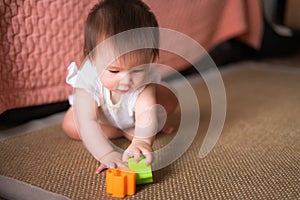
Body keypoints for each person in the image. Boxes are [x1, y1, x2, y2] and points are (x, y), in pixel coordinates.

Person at [62, 0, 178, 173]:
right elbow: (87, 122)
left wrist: (142, 142)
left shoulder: (144, 83)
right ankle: (120, 131)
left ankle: (135, 130)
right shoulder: (88, 80)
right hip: (103, 118)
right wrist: (106, 153)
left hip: (133, 114)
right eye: (114, 71)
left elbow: (146, 112)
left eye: (137, 69)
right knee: (72, 125)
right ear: (92, 59)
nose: (125, 80)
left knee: (169, 99)